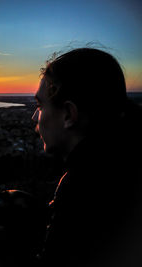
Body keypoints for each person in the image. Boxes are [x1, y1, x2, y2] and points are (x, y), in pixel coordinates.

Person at [32, 48, 142, 266]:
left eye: (39, 105)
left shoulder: (85, 187)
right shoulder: (124, 165)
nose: (35, 116)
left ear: (68, 115)